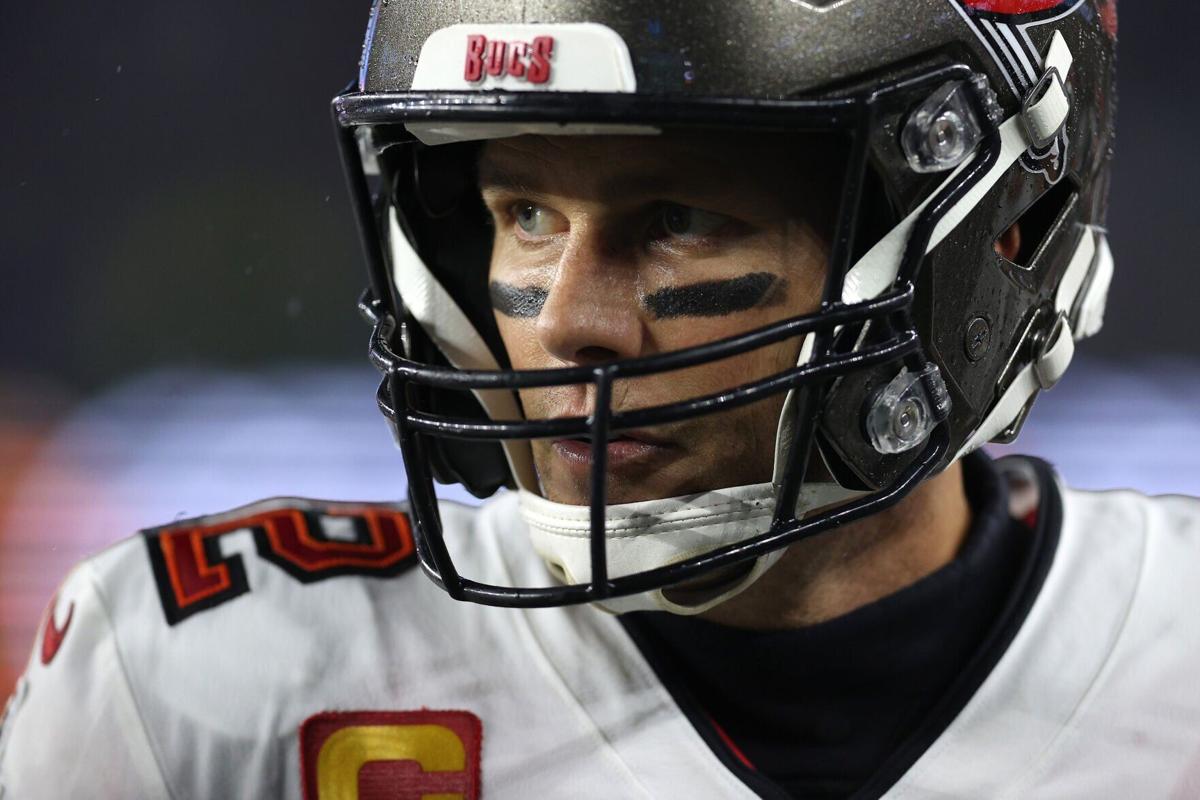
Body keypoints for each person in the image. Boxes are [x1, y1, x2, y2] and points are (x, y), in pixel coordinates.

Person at [4, 1, 1199, 798]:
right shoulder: (208, 686)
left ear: (993, 236)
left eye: (680, 220)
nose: (571, 319)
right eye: (526, 213)